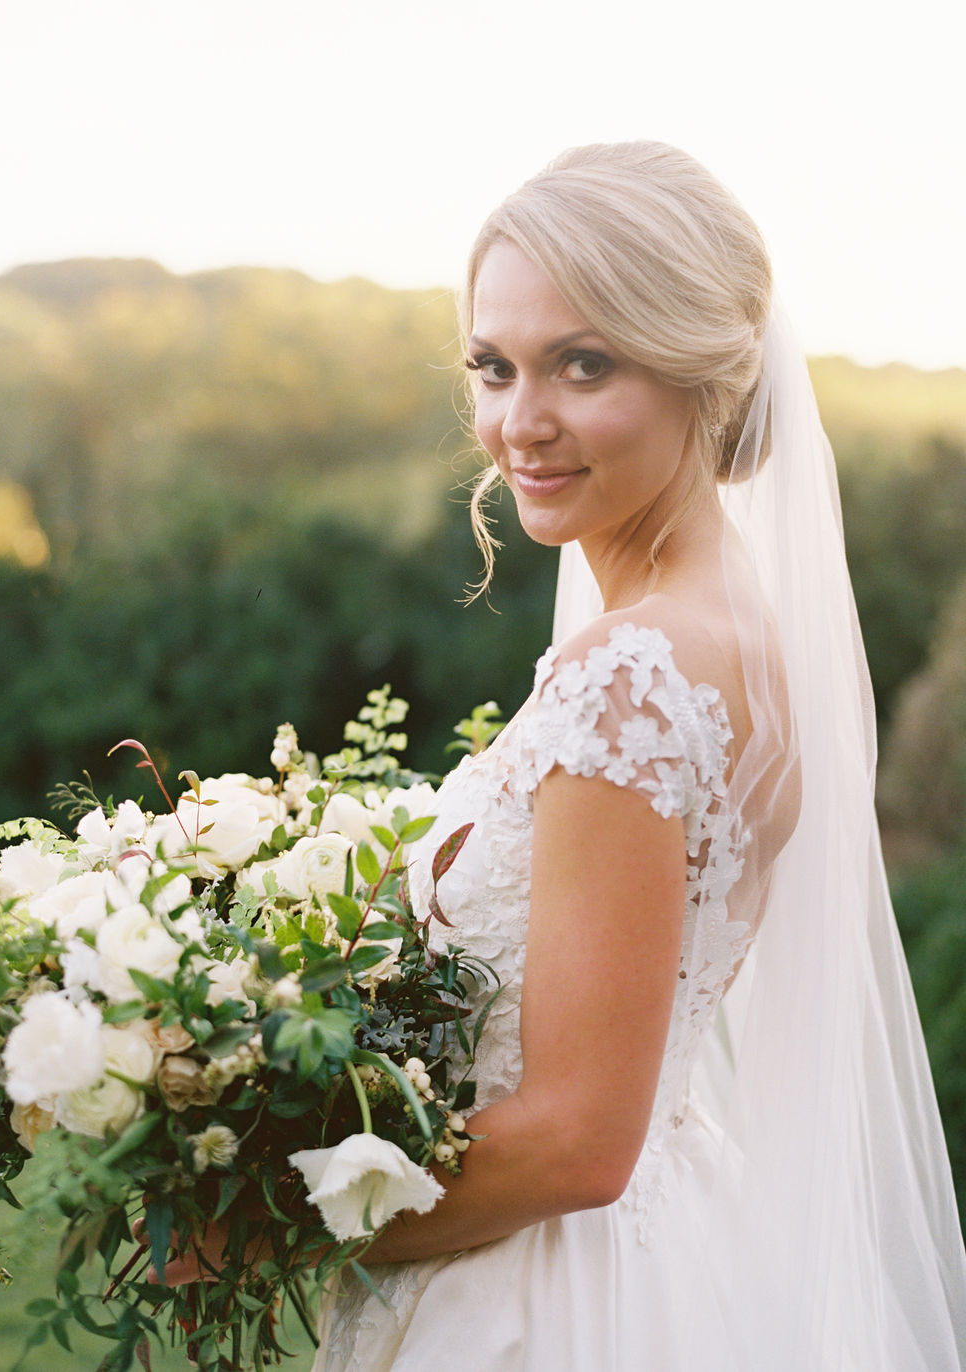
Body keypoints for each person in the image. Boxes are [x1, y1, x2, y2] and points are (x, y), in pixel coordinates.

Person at [307, 142, 966, 1370]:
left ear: (703, 373)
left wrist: (267, 1214)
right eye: (493, 367)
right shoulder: (738, 635)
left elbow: (574, 1142)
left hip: (547, 1305)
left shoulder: (633, 679)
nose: (520, 421)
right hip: (666, 1255)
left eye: (584, 364)